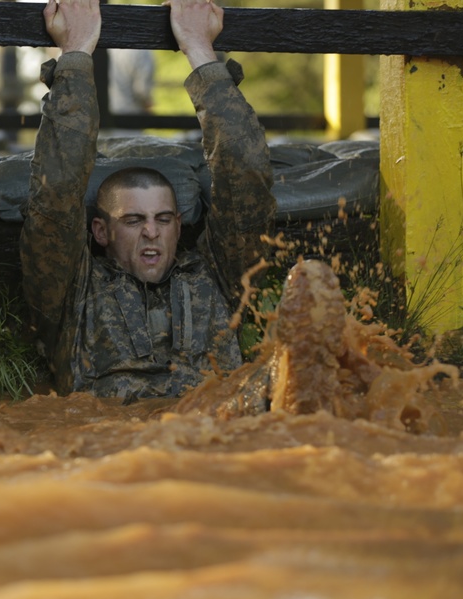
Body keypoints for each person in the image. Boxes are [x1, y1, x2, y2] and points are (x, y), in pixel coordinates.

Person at [20, 0, 276, 402]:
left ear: (179, 225)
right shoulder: (73, 290)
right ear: (101, 230)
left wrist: (200, 51)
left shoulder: (219, 278)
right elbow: (57, 192)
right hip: (117, 448)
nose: (152, 232)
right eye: (134, 220)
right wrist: (74, 57)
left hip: (216, 444)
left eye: (163, 218)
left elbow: (246, 174)